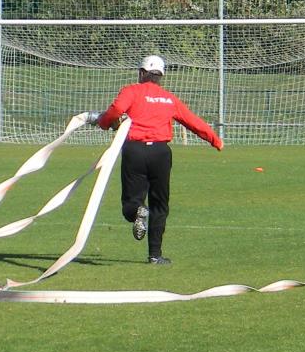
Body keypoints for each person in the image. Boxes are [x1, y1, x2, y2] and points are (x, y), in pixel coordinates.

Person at [91, 54, 223, 265]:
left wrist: (104, 123)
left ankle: (137, 211)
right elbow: (192, 121)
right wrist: (215, 140)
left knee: (131, 201)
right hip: (161, 153)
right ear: (160, 76)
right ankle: (155, 255)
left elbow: (116, 110)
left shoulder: (131, 91)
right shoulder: (169, 98)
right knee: (160, 205)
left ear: (141, 73)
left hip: (135, 150)